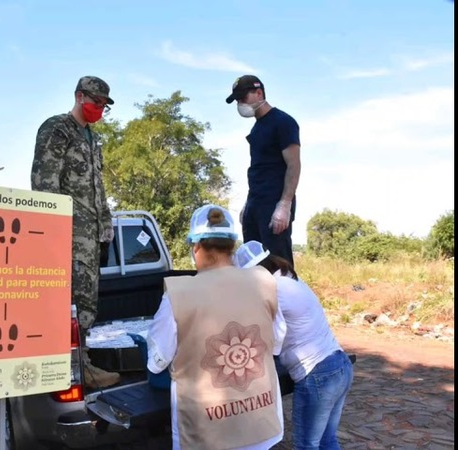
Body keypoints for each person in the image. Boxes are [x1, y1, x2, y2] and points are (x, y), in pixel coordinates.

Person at [146, 204, 286, 450]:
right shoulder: (264, 281)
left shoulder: (178, 294)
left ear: (196, 246)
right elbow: (276, 344)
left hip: (205, 432)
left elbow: (157, 360)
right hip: (260, 424)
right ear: (232, 246)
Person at [31, 75, 120, 389]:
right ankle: (76, 372)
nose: (99, 108)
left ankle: (82, 366)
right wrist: (52, 234)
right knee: (74, 306)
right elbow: (45, 183)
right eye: (96, 102)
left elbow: (99, 188)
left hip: (91, 236)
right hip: (68, 234)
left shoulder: (93, 138)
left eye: (103, 105)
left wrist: (106, 226)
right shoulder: (58, 128)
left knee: (87, 303)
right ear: (80, 96)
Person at [234, 240, 354, 450]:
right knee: (327, 441)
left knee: (306, 445)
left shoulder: (272, 288)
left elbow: (277, 334)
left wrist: (260, 357)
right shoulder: (291, 279)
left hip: (317, 373)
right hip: (339, 364)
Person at [225, 75, 301, 266]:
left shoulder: (283, 122)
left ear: (259, 93)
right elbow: (259, 170)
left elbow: (294, 165)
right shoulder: (257, 128)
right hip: (255, 203)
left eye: (243, 97)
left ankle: (285, 297)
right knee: (253, 264)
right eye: (237, 100)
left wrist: (284, 204)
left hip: (274, 202)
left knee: (278, 264)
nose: (240, 103)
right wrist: (248, 204)